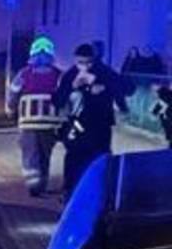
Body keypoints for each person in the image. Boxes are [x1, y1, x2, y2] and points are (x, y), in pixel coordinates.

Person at [54, 42, 129, 195]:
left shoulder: (103, 72)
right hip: (76, 126)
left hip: (100, 126)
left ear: (94, 60)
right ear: (75, 61)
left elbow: (128, 88)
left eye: (89, 63)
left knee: (100, 160)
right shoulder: (69, 75)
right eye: (80, 63)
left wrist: (103, 86)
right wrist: (72, 87)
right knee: (74, 160)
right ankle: (70, 193)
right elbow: (57, 100)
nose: (85, 67)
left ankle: (101, 194)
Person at [8, 36, 64, 195]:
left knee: (30, 157)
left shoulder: (23, 74)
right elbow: (66, 98)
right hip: (49, 125)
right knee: (45, 157)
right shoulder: (58, 75)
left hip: (28, 124)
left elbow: (13, 94)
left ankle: (34, 187)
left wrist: (11, 110)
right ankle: (41, 187)